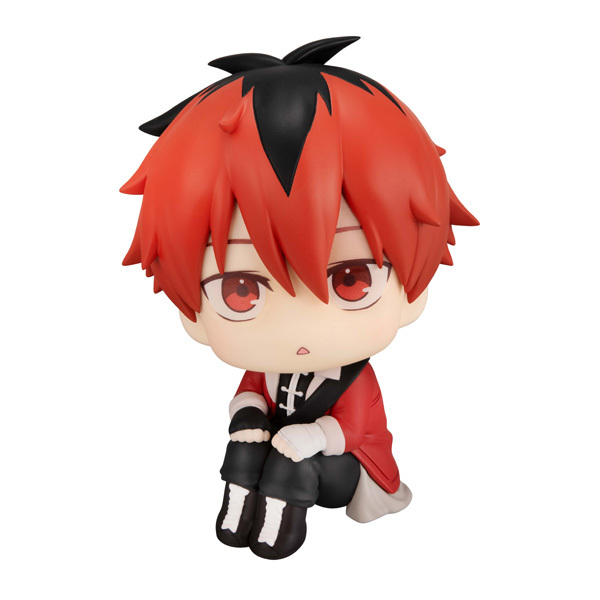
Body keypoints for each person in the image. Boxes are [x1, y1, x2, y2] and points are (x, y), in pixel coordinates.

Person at [121, 36, 478, 559]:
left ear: (412, 292)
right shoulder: (265, 371)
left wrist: (310, 438)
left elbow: (353, 429)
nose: (299, 327)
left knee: (294, 462)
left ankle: (278, 529)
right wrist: (247, 416)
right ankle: (238, 509)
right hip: (277, 453)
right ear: (192, 314)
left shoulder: (353, 379)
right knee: (244, 448)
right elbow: (250, 395)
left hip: (340, 468)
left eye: (351, 279)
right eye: (240, 290)